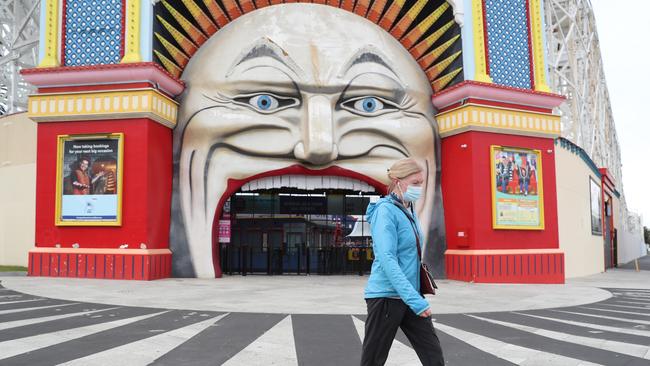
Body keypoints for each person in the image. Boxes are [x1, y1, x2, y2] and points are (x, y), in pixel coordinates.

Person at [361, 158, 444, 366]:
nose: (420, 188)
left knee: (434, 358)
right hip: (386, 298)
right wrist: (415, 300)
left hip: (409, 295)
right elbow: (387, 259)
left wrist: (413, 296)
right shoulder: (385, 211)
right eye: (415, 183)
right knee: (373, 360)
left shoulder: (409, 209)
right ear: (398, 181)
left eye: (422, 183)